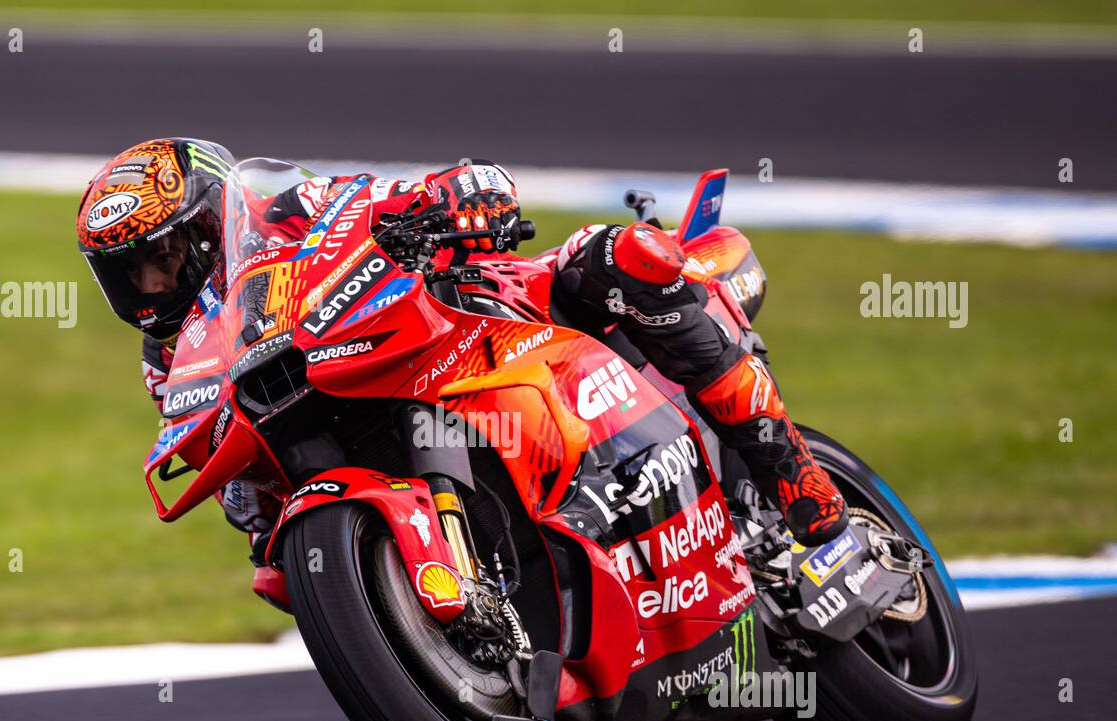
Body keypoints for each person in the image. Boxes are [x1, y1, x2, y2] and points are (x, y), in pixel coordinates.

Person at [76, 139, 847, 548]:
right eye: (130, 274)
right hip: (357, 418)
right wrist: (248, 496)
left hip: (482, 313)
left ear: (212, 221)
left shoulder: (286, 210)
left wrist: (456, 194)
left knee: (622, 261)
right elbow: (217, 461)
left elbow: (374, 196)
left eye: (165, 257)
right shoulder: (174, 364)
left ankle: (795, 479)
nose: (152, 285)